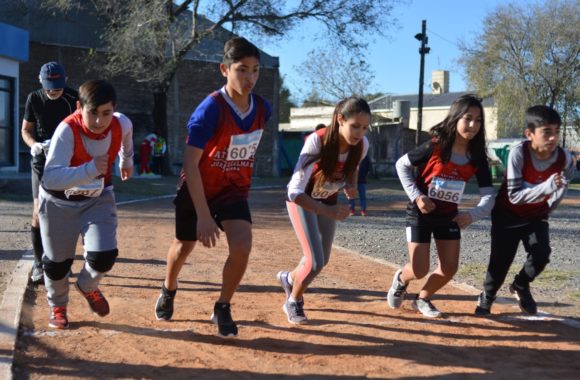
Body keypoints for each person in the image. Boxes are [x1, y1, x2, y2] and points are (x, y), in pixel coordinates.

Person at [154, 37, 271, 338]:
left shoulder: (263, 109)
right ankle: (168, 288)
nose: (249, 78)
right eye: (242, 70)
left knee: (243, 245)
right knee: (184, 247)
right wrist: (204, 216)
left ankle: (223, 306)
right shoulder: (209, 110)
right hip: (198, 187)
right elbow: (190, 165)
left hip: (233, 189)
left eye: (255, 70)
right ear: (224, 70)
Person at [387, 94, 494, 318]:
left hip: (448, 216)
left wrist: (472, 215)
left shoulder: (477, 158)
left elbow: (488, 196)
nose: (473, 125)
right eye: (468, 118)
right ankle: (400, 280)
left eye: (478, 120)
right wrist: (417, 196)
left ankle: (423, 299)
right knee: (419, 269)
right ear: (455, 119)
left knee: (449, 268)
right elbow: (401, 165)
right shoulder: (434, 147)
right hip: (420, 213)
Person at [38, 79, 134, 329]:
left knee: (104, 256)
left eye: (106, 113)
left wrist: (126, 160)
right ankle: (58, 305)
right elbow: (51, 177)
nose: (100, 121)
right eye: (93, 113)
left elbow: (127, 135)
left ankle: (87, 286)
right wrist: (90, 169)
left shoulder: (121, 123)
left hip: (97, 199)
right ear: (80, 107)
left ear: (114, 109)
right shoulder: (67, 131)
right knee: (57, 264)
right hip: (59, 202)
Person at [277, 97, 370, 324]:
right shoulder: (317, 142)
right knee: (315, 261)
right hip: (303, 201)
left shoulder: (362, 145)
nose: (360, 132)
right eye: (355, 126)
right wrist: (326, 211)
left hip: (327, 201)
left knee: (322, 259)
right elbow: (294, 191)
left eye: (365, 127)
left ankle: (289, 278)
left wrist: (351, 185)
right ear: (340, 120)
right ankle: (293, 301)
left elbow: (352, 167)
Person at [474, 105, 575, 316]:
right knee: (500, 263)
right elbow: (514, 196)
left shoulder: (564, 158)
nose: (552, 138)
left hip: (536, 216)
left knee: (541, 254)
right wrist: (546, 187)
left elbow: (561, 188)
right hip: (507, 216)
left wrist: (548, 208)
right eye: (546, 132)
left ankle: (521, 285)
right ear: (529, 134)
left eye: (556, 132)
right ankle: (488, 295)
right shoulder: (518, 153)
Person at [21, 61, 78, 285]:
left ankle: (62, 263)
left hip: (68, 160)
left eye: (58, 86)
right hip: (41, 159)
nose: (53, 91)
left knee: (66, 212)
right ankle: (38, 263)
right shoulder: (34, 98)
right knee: (38, 210)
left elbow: (83, 128)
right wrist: (33, 144)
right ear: (41, 83)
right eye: (49, 87)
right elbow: (26, 130)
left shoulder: (74, 99)